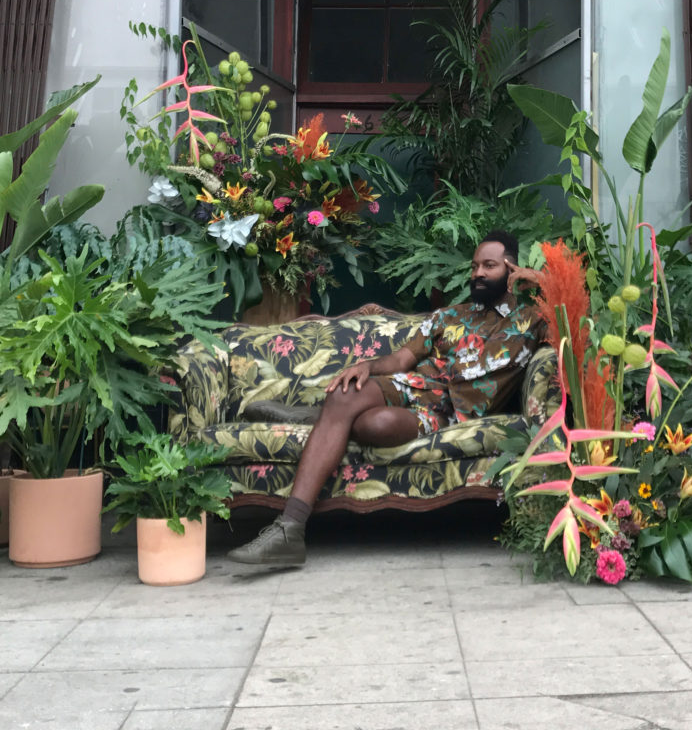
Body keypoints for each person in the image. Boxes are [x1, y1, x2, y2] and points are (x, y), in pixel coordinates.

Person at [227, 230, 547, 568]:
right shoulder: (448, 316)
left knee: (374, 424)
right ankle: (289, 528)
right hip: (411, 384)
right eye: (474, 266)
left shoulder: (534, 321)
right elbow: (400, 361)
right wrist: (367, 365)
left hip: (447, 414)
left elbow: (580, 320)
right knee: (346, 393)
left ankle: (316, 418)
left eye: (489, 265)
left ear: (512, 269)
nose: (478, 273)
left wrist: (539, 280)